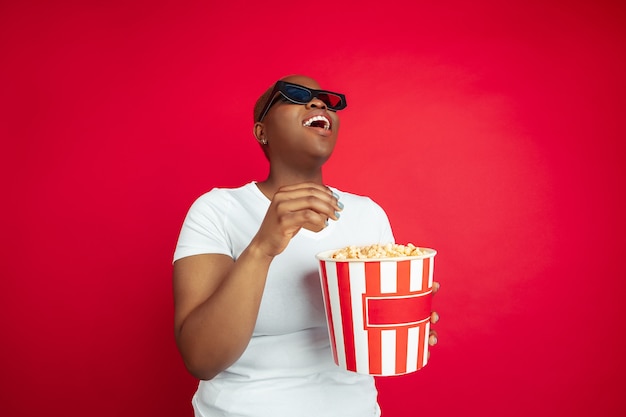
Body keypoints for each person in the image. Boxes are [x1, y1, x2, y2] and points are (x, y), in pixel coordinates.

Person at [172, 74, 440, 417]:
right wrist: (263, 246)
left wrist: (405, 320)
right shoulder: (218, 210)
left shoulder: (368, 214)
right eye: (295, 95)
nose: (318, 104)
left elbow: (374, 335)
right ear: (261, 131)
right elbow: (200, 359)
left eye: (325, 100)